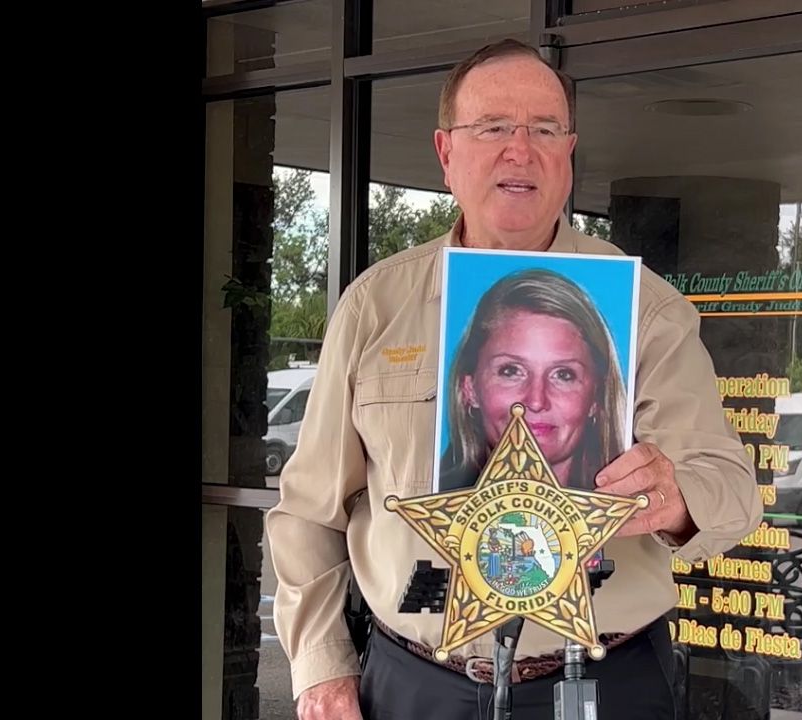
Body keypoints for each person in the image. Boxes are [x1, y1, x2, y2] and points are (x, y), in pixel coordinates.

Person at [266, 38, 763, 720]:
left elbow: (732, 490)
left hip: (603, 683)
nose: (519, 150)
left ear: (569, 152)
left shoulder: (644, 309)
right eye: (493, 127)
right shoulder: (376, 305)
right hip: (413, 684)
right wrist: (321, 668)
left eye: (544, 130)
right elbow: (307, 511)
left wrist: (678, 501)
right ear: (446, 153)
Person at [438, 267, 625, 492]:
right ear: (469, 389)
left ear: (596, 397)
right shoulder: (417, 508)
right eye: (511, 371)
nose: (536, 401)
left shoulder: (634, 513)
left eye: (563, 374)